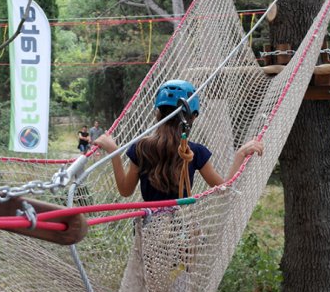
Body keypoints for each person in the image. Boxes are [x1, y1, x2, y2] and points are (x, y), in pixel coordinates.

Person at [94, 79, 264, 201]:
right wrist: (240, 154)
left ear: (157, 114)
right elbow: (224, 190)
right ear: (194, 116)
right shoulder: (195, 152)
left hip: (149, 230)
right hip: (180, 233)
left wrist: (113, 152)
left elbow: (125, 191)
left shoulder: (141, 147)